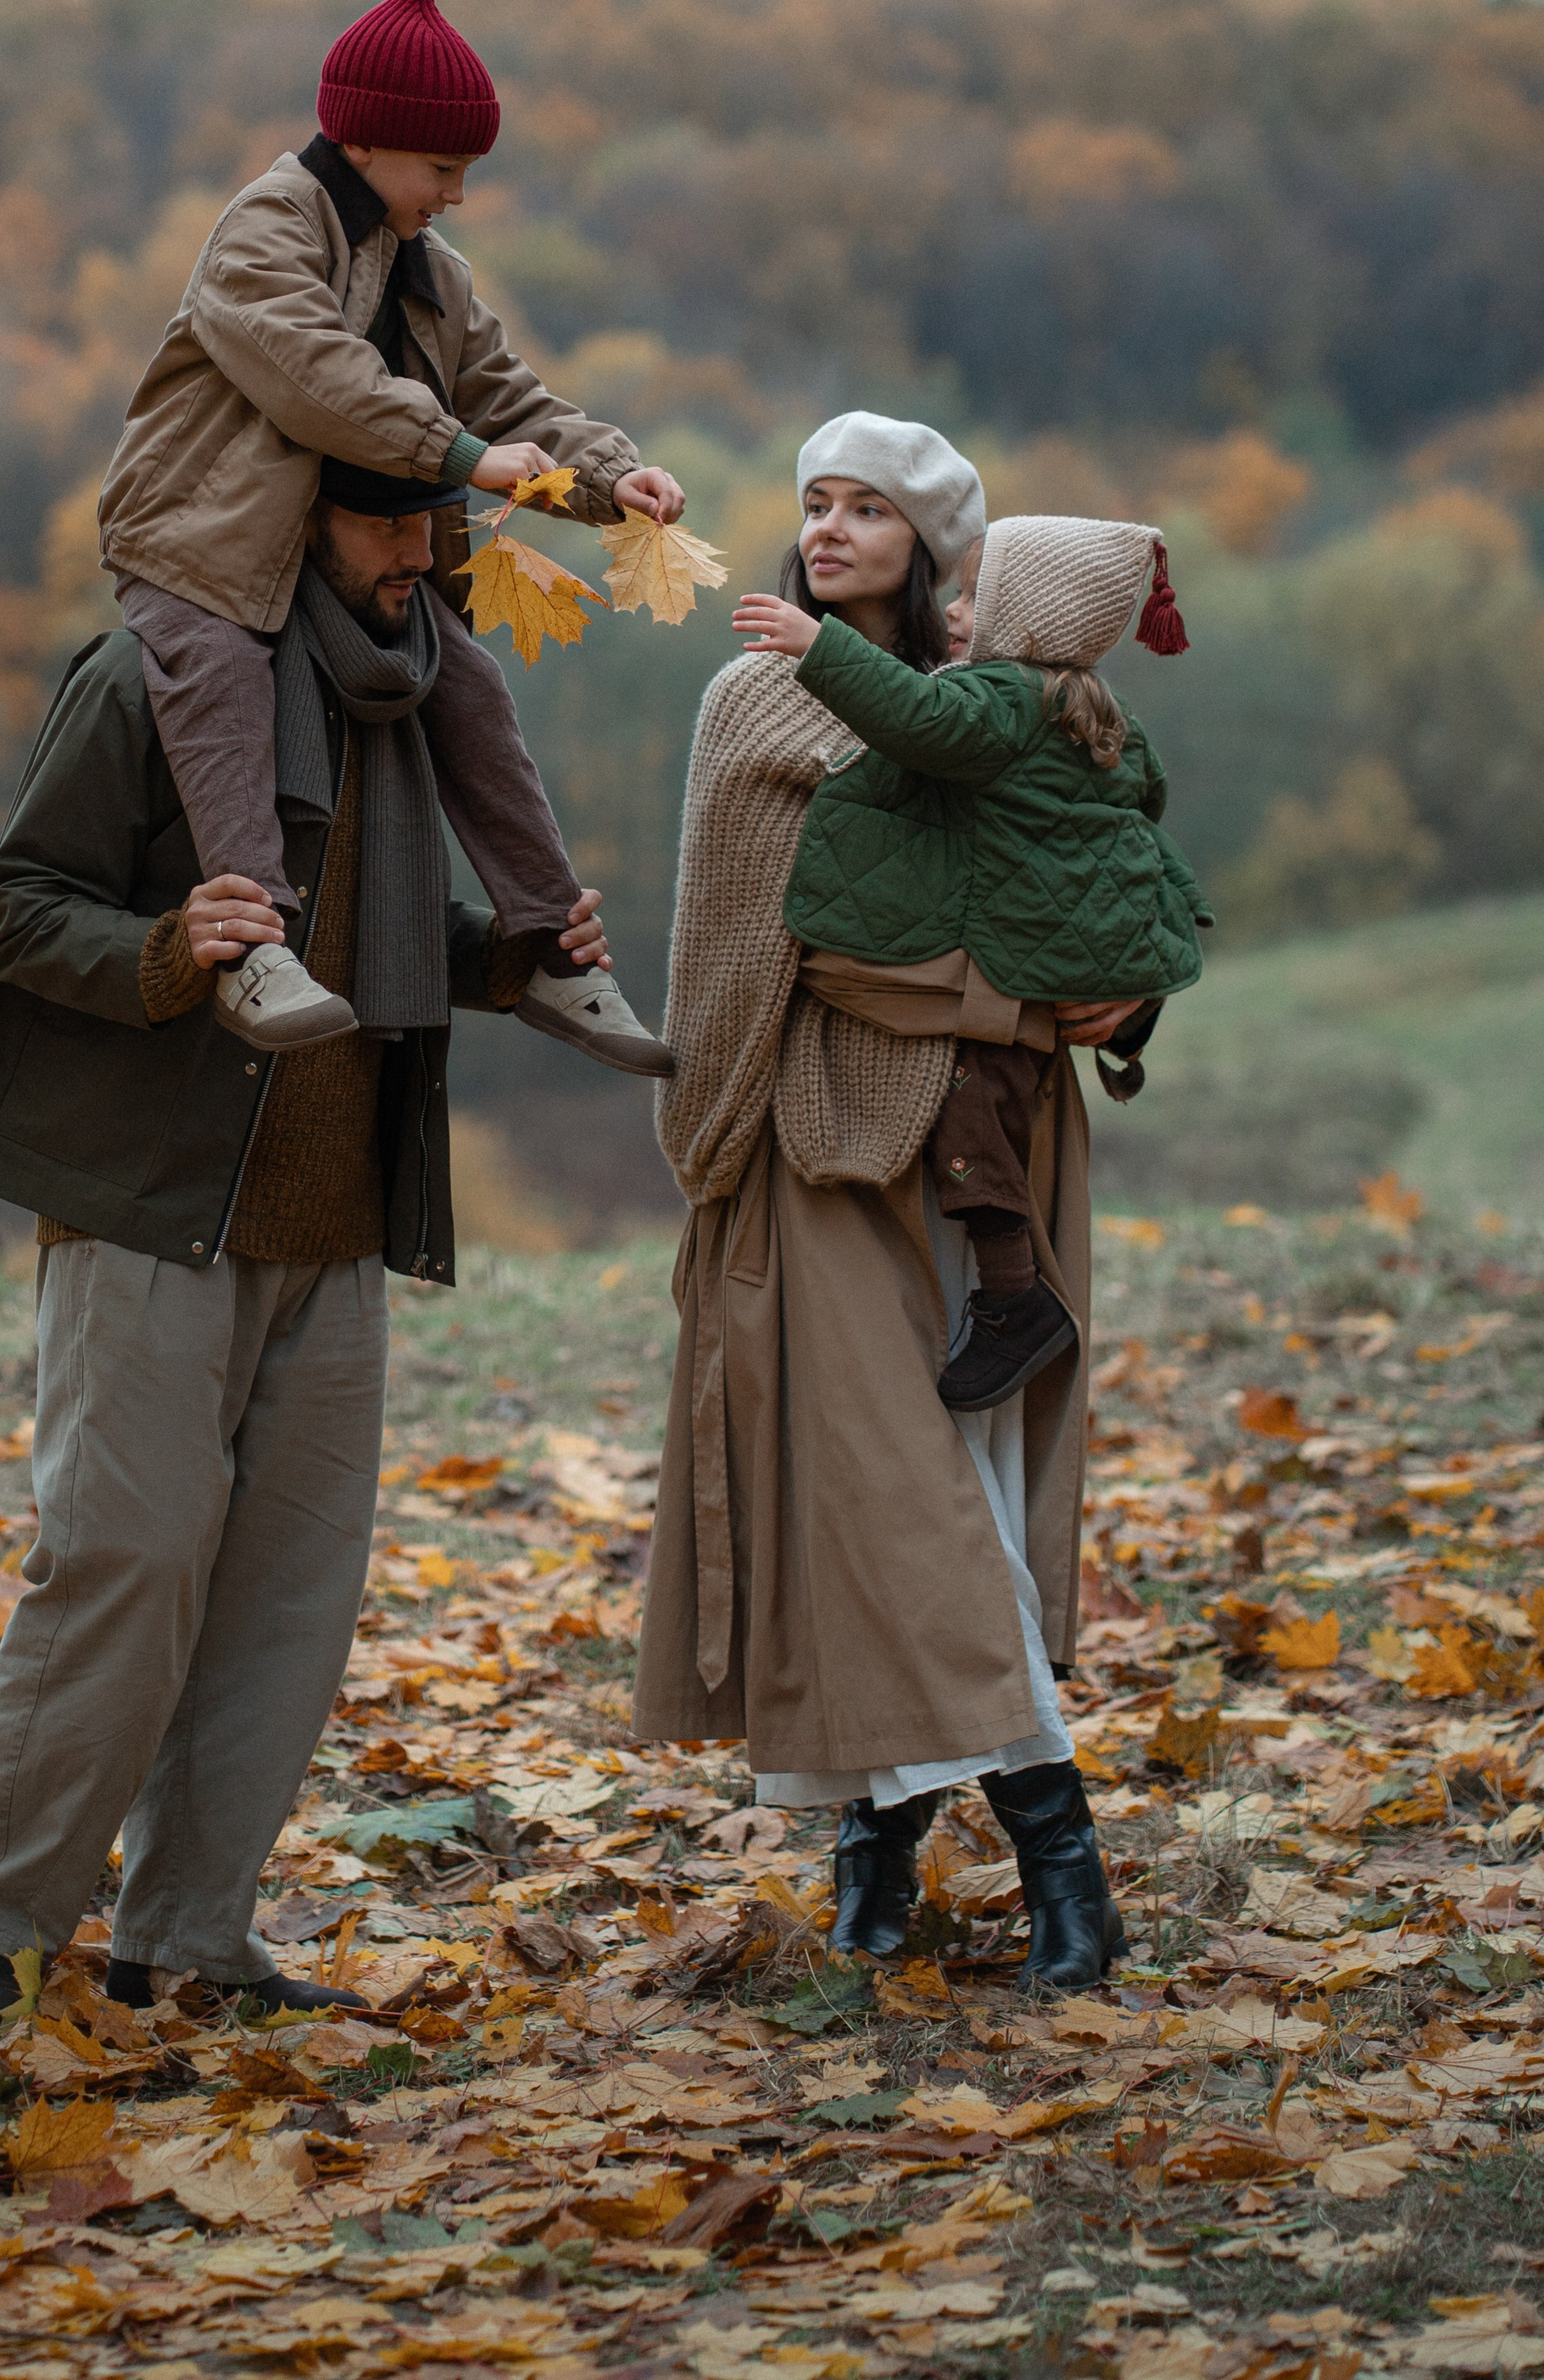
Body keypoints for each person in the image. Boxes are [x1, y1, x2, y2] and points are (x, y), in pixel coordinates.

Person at [0, 460, 633, 2036]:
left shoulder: (416, 694)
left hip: (340, 1222)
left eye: (433, 527)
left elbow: (378, 949)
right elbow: (18, 907)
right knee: (127, 1560)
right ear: (297, 517)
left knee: (288, 1603)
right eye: (384, 522)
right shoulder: (157, 674)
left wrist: (514, 953)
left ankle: (187, 1941)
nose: (419, 553)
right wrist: (175, 951)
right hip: (159, 1204)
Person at [633, 411, 1157, 1993]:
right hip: (825, 1146)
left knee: (958, 1500)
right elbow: (795, 940)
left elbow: (1106, 884)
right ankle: (1052, 1852)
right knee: (887, 1502)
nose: (835, 526)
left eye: (871, 507)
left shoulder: (1016, 706)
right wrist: (1012, 1001)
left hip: (999, 1163)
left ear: (934, 546)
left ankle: (883, 1848)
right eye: (817, 502)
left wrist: (1123, 1006)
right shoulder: (759, 699)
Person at [96, 0, 675, 1075]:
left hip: (335, 553)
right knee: (216, 676)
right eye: (443, 167)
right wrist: (465, 459)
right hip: (202, 541)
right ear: (364, 142)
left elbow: (510, 396)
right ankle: (253, 947)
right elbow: (317, 380)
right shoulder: (265, 230)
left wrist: (613, 479)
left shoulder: (430, 274)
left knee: (468, 688)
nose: (456, 192)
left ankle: (552, 945)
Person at [733, 511, 1208, 1414]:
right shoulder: (1101, 713)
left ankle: (1014, 1296)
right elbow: (1140, 819)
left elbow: (920, 720)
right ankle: (1011, 1294)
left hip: (1002, 970)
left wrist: (816, 648)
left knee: (972, 1121)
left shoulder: (995, 700)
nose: (955, 612)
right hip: (1044, 955)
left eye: (976, 597)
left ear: (1029, 617)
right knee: (987, 1112)